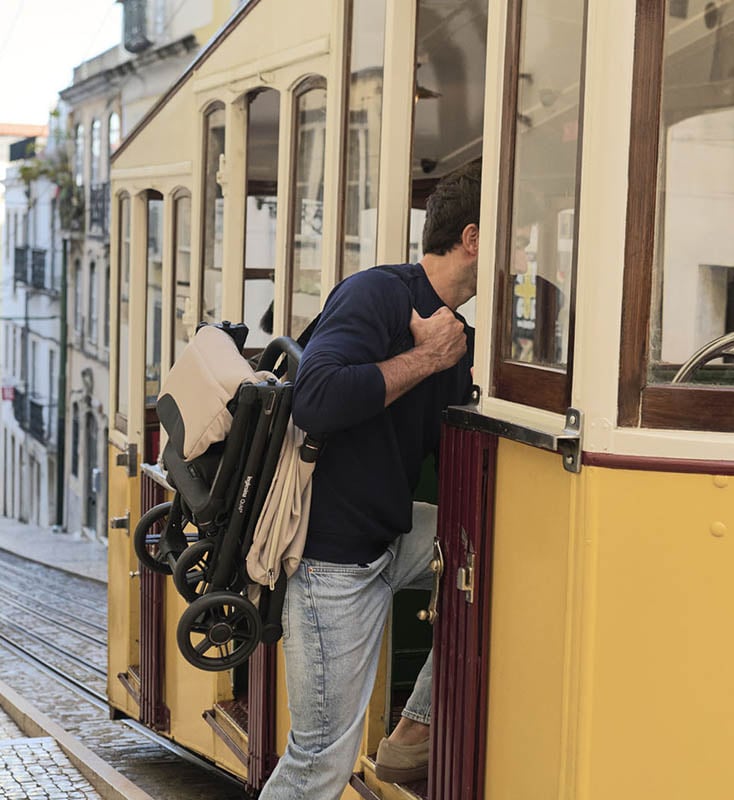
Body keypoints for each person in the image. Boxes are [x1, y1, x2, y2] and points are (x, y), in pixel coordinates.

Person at [259, 161, 481, 800]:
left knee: (490, 556)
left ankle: (415, 728)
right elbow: (317, 398)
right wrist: (426, 358)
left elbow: (446, 436)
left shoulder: (452, 331)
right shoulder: (377, 294)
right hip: (330, 564)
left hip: (388, 540)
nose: (519, 252)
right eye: (511, 235)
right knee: (318, 763)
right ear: (472, 237)